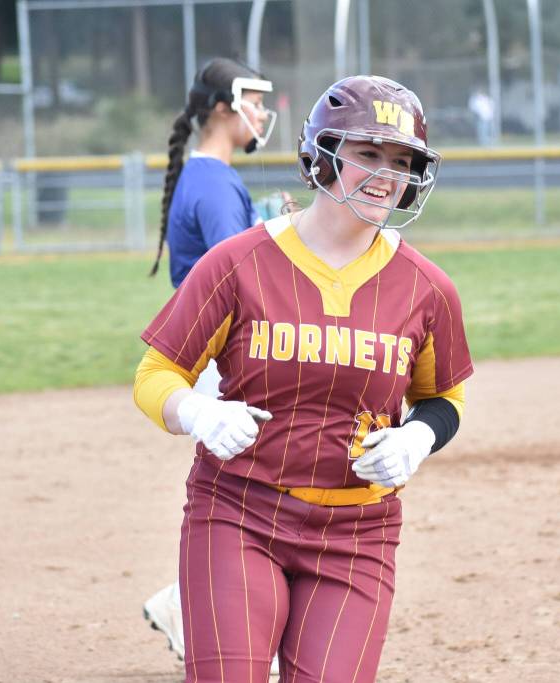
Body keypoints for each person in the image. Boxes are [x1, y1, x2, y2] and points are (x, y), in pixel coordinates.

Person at [133, 75, 473, 682]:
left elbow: (442, 398)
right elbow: (158, 372)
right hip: (238, 511)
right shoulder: (238, 262)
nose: (385, 173)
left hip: (359, 532)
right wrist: (199, 414)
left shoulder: (428, 289)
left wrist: (417, 438)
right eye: (366, 152)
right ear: (321, 154)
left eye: (401, 160)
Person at [140, 57, 283, 672]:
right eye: (251, 102)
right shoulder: (217, 182)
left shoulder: (209, 178)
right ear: (222, 108)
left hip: (206, 353)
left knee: (241, 493)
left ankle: (180, 601)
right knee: (249, 495)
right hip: (223, 358)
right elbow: (243, 278)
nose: (260, 114)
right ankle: (194, 607)